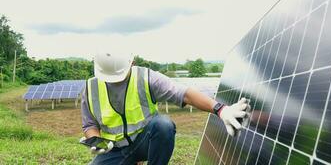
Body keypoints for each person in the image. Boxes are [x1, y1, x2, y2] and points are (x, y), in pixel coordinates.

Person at [80, 52, 251, 165]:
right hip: (115, 150)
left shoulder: (146, 78)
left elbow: (184, 93)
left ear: (132, 62)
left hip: (145, 142)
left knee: (163, 125)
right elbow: (89, 126)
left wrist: (220, 109)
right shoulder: (90, 89)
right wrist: (96, 141)